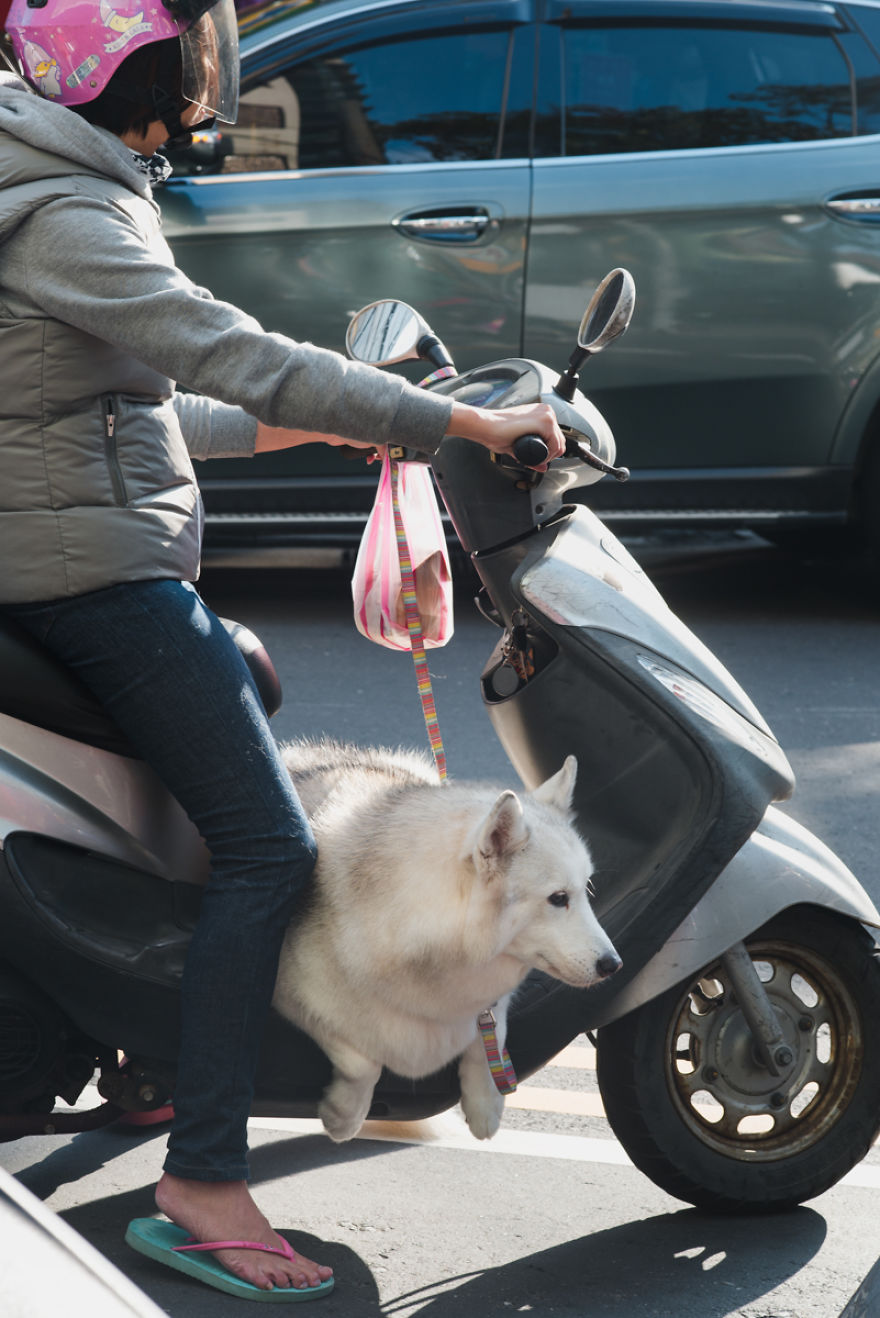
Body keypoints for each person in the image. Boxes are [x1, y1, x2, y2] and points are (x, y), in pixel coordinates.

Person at [0, 0, 565, 1301]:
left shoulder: (61, 185)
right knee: (271, 846)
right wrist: (458, 429)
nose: (211, 79)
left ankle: (150, 1049)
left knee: (248, 679)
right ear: (146, 80)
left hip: (83, 557)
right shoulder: (71, 216)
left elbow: (142, 402)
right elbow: (239, 355)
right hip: (92, 580)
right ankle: (203, 1177)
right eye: (194, 60)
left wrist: (331, 430)